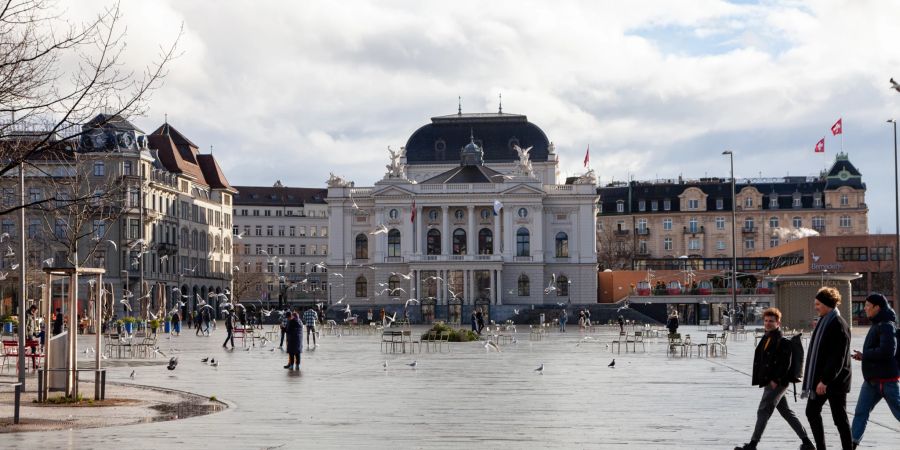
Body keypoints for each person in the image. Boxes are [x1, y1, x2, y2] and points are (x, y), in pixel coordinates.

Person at [734, 307, 815, 450]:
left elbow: (786, 364)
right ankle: (807, 443)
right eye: (765, 320)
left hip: (777, 383)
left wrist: (775, 380)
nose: (767, 323)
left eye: (771, 321)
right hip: (770, 381)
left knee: (763, 410)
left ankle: (753, 445)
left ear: (778, 323)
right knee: (786, 412)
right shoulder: (767, 337)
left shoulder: (782, 341)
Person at [803, 287, 852, 450]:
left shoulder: (837, 324)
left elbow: (837, 358)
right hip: (824, 380)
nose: (816, 307)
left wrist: (824, 380)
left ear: (827, 304)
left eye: (818, 304)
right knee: (812, 412)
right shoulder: (825, 321)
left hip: (834, 382)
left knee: (839, 419)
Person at [851, 293, 900, 448]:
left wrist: (866, 355)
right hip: (872, 380)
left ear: (877, 307)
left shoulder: (886, 325)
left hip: (886, 381)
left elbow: (888, 351)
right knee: (861, 412)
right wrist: (864, 357)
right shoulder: (878, 324)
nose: (865, 308)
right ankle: (852, 443)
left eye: (867, 306)